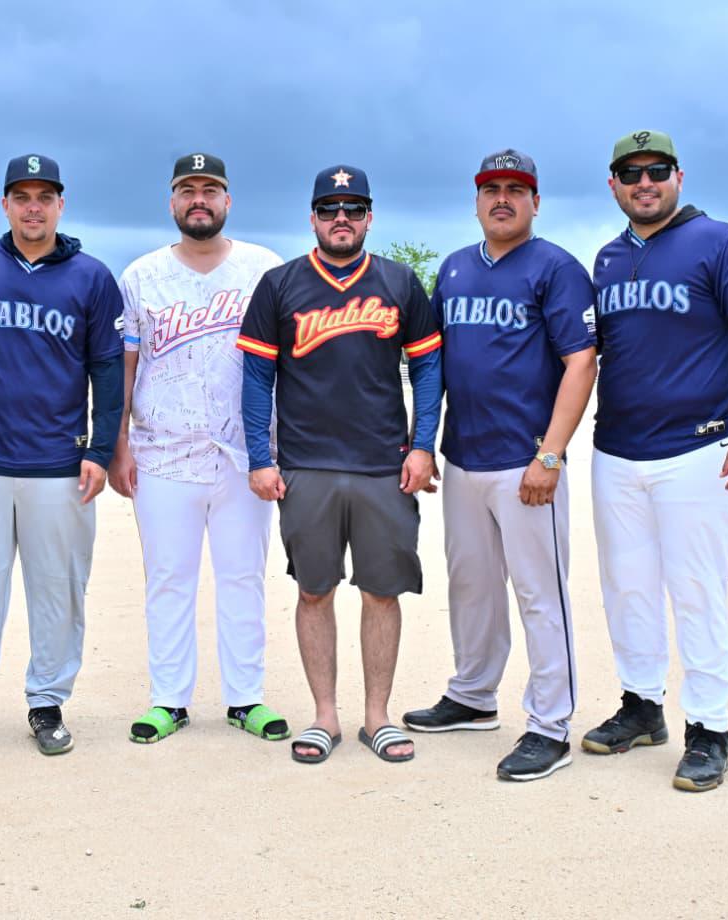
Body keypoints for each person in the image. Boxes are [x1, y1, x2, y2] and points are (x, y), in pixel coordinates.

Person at [583, 130, 728, 792]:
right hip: (617, 450)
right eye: (629, 172)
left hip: (702, 447)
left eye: (656, 170)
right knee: (627, 587)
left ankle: (710, 729)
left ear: (678, 175)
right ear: (613, 184)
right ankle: (642, 706)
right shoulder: (609, 258)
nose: (644, 182)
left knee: (696, 590)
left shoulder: (720, 242)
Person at [401, 150, 597, 782]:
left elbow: (581, 361)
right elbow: (430, 363)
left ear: (537, 202)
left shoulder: (557, 268)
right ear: (476, 200)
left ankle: (549, 724)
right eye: (492, 189)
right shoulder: (455, 269)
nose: (503, 198)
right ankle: (473, 694)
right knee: (471, 587)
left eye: (518, 189)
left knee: (541, 596)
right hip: (464, 457)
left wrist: (551, 453)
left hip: (526, 462)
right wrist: (423, 442)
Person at [238, 165, 443, 765]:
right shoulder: (280, 284)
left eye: (353, 207)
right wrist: (261, 457)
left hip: (383, 465)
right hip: (306, 465)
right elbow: (257, 377)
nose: (342, 218)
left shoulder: (400, 282)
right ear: (313, 218)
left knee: (383, 592)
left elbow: (428, 368)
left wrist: (422, 444)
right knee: (314, 591)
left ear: (370, 217)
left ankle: (376, 717)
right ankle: (325, 715)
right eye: (330, 208)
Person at [0, 154, 123, 763]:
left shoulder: (89, 276)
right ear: (5, 203)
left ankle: (47, 703)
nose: (33, 206)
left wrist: (100, 449)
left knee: (58, 591)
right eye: (21, 196)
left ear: (60, 205)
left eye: (44, 196)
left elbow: (108, 369)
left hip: (59, 464)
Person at [110, 153, 289, 744]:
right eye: (188, 190)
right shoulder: (140, 276)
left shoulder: (265, 270)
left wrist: (280, 444)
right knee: (168, 578)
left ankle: (246, 699)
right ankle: (168, 700)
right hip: (162, 451)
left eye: (210, 190)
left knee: (243, 577)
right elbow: (127, 365)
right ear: (172, 202)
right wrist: (118, 445)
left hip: (244, 453)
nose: (199, 200)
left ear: (227, 201)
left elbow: (288, 363)